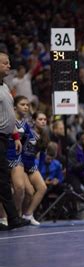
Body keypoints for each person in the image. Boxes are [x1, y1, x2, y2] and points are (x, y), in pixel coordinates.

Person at [0, 52, 29, 230]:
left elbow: (9, 115)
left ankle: (12, 218)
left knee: (2, 179)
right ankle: (13, 218)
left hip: (5, 137)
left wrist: (16, 136)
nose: (9, 66)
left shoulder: (5, 87)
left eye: (8, 62)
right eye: (5, 63)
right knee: (2, 179)